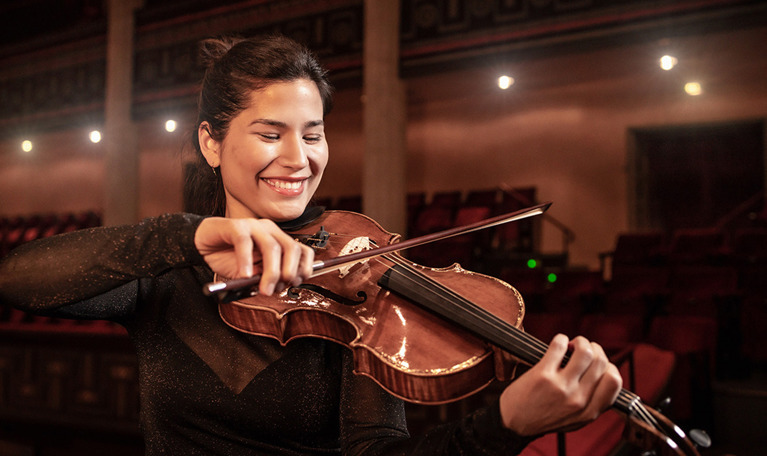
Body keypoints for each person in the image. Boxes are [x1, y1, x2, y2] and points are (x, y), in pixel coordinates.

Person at [0, 34, 622, 455]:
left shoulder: (359, 291)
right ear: (212, 144)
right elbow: (19, 278)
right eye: (270, 134)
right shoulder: (165, 274)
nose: (299, 160)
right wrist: (188, 235)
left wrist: (505, 426)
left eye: (314, 134)